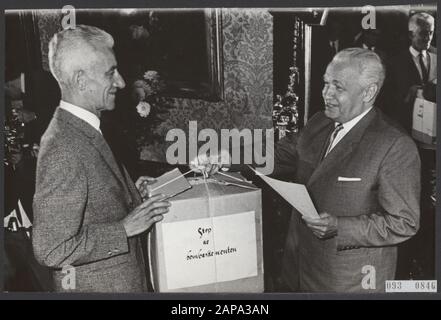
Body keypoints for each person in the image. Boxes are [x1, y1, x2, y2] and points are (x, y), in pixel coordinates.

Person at [32, 25, 170, 293]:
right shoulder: (63, 146)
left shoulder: (83, 127)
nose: (120, 82)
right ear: (81, 81)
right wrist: (124, 229)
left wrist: (132, 194)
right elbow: (50, 248)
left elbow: (94, 202)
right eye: (110, 73)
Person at [272, 48, 421, 292]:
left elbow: (404, 222)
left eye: (338, 87)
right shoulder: (320, 122)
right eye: (326, 83)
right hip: (299, 264)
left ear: (369, 92)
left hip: (348, 280)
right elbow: (279, 154)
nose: (326, 93)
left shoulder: (394, 145)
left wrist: (340, 227)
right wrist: (227, 155)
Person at [385, 12, 436, 132]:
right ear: (410, 35)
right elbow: (387, 101)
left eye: (431, 33)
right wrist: (408, 96)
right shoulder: (394, 63)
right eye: (423, 33)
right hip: (407, 128)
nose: (428, 38)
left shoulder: (437, 55)